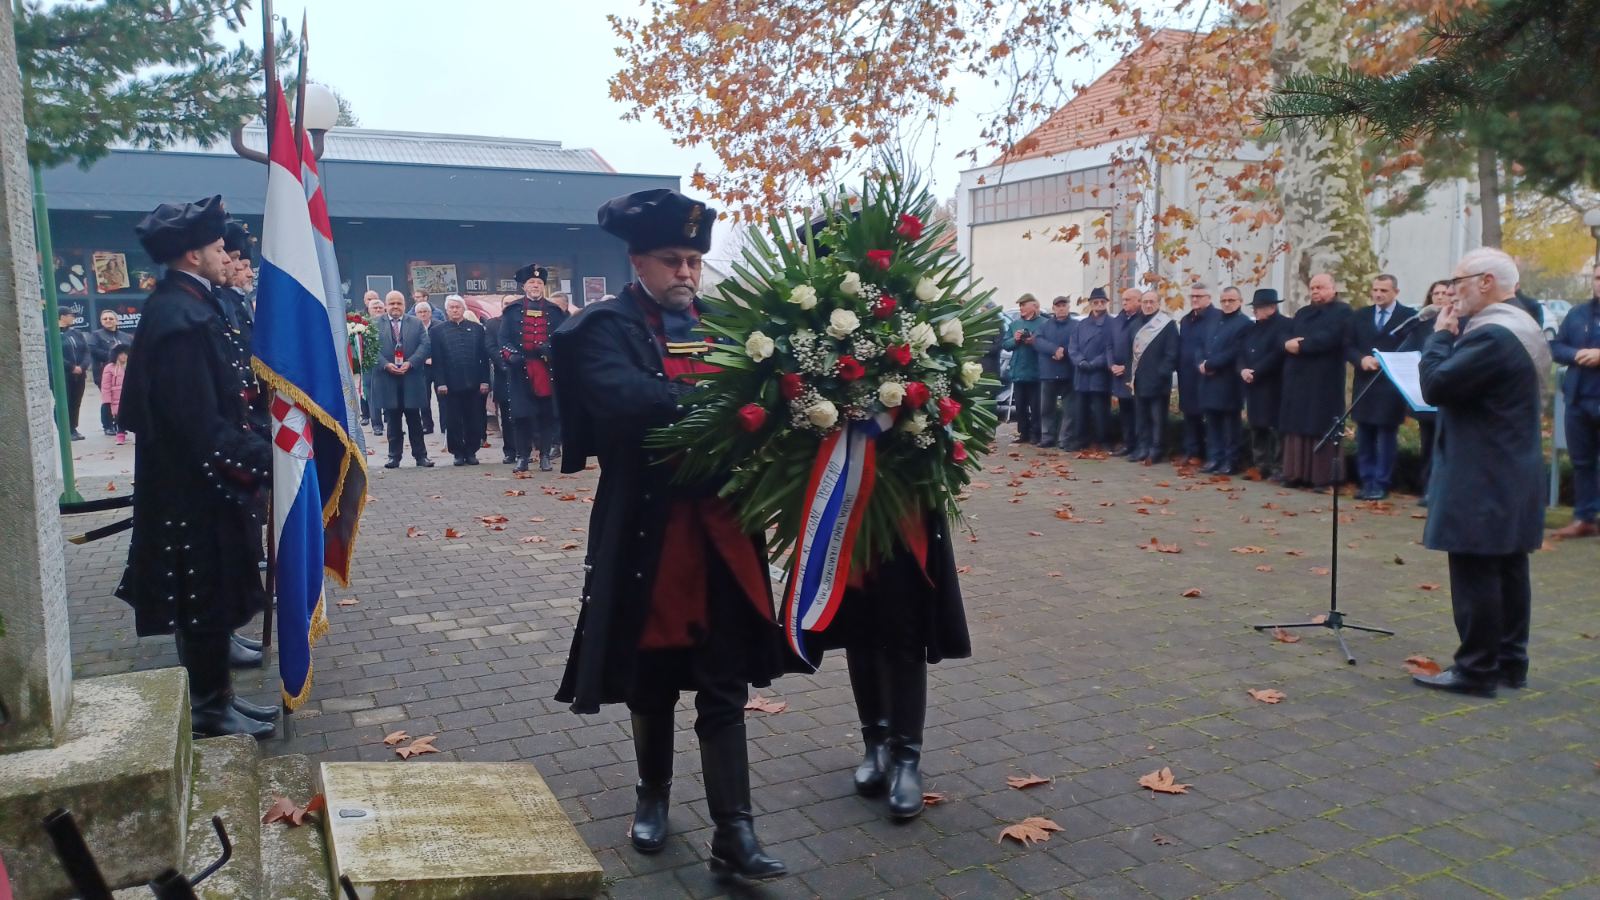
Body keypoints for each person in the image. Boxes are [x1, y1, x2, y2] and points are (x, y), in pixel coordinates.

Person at [550, 188, 789, 880]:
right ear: (638, 261)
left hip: (724, 532)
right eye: (672, 260)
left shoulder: (728, 326)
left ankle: (735, 832)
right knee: (651, 674)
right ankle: (651, 793)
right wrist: (727, 401)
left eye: (694, 260)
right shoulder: (603, 327)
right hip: (649, 532)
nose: (686, 272)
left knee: (725, 680)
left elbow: (770, 399)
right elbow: (625, 403)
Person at [117, 194, 276, 738]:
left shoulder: (188, 305)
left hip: (201, 483)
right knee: (200, 595)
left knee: (207, 594)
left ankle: (218, 698)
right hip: (195, 489)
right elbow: (197, 423)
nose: (223, 253)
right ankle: (210, 708)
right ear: (191, 255)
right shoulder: (180, 317)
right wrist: (265, 461)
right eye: (214, 246)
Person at [1413, 248, 1550, 697]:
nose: (1452, 293)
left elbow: (1435, 386)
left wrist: (1438, 336)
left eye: (1459, 282)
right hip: (1510, 463)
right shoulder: (1522, 323)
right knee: (1508, 565)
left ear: (1486, 281)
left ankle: (1475, 669)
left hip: (1482, 468)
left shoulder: (1492, 335)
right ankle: (1510, 663)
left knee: (1476, 567)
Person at [1279, 273, 1354, 491]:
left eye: (1320, 287)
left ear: (1333, 288)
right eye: (1312, 288)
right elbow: (1289, 335)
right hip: (1298, 377)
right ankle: (1296, 473)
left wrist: (1302, 346)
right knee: (1297, 424)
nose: (1315, 292)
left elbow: (1330, 338)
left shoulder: (1343, 312)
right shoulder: (1303, 312)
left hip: (1325, 379)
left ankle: (1323, 478)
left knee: (1321, 425)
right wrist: (1288, 344)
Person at [1345, 274, 1416, 500]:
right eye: (1375, 290)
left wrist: (1389, 362)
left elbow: (1414, 346)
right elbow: (1348, 345)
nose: (1378, 294)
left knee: (1386, 436)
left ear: (1395, 292)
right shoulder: (1361, 316)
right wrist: (1360, 359)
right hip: (1364, 383)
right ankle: (1366, 481)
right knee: (1364, 435)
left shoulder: (1408, 317)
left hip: (1391, 385)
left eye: (1383, 291)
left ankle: (1382, 482)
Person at [500, 265, 569, 472]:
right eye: (531, 282)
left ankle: (545, 456)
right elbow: (503, 339)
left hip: (545, 370)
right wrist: (511, 355)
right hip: (520, 370)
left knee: (546, 415)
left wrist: (548, 349)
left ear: (543, 287)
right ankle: (522, 456)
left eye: (539, 283)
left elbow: (562, 339)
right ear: (524, 286)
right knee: (522, 416)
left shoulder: (555, 311)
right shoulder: (512, 311)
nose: (535, 286)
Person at [1549, 269, 1600, 539]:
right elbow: (1556, 347)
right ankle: (1584, 518)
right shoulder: (1578, 314)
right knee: (1582, 462)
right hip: (1578, 400)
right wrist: (1576, 353)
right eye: (1598, 278)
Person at [1400, 280, 1452, 506]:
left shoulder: (1456, 323)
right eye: (1435, 293)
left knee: (1444, 446)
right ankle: (1427, 488)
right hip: (1423, 392)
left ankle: (1441, 490)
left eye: (1444, 293)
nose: (1439, 297)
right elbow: (1405, 347)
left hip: (1446, 391)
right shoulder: (1421, 323)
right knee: (1427, 443)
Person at [372, 290, 434, 468]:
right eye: (392, 303)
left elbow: (425, 345)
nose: (395, 307)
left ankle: (421, 456)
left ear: (404, 305)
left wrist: (411, 362)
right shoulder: (375, 324)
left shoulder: (415, 322)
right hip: (387, 378)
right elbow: (370, 349)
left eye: (398, 303)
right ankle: (394, 456)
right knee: (392, 420)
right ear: (386, 305)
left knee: (415, 419)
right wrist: (385, 364)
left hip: (411, 378)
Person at [1239, 289, 1293, 481]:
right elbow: (1241, 352)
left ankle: (1279, 467)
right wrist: (1243, 369)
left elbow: (1278, 353)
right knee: (1257, 426)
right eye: (1254, 308)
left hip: (1273, 384)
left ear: (1271, 307)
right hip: (1252, 384)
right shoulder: (1252, 328)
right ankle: (1260, 464)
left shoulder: (1285, 325)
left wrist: (1257, 371)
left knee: (1276, 427)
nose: (1255, 311)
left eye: (1258, 308)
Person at [431, 295, 491, 466]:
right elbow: (437, 360)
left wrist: (485, 381)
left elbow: (483, 358)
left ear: (464, 309)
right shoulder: (437, 331)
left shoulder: (477, 329)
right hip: (449, 385)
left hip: (474, 383)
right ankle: (457, 452)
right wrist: (440, 382)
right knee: (453, 420)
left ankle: (471, 451)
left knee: (474, 419)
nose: (455, 310)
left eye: (458, 307)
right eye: (451, 307)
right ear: (447, 310)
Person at [1198, 286, 1250, 474]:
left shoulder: (1244, 323)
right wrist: (1201, 363)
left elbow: (1235, 351)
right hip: (1209, 380)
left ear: (1240, 301)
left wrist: (1211, 364)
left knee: (1230, 426)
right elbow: (1201, 344)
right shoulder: (1213, 320)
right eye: (1224, 300)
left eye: (1231, 300)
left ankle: (1231, 461)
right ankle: (1214, 458)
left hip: (1229, 382)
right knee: (1212, 423)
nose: (1227, 304)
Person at [1128, 290, 1179, 464]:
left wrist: (1162, 373)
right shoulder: (1135, 324)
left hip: (1159, 380)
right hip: (1140, 379)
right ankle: (1142, 447)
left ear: (1158, 304)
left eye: (1152, 302)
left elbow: (1172, 352)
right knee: (1141, 416)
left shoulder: (1167, 324)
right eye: (1145, 302)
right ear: (1141, 303)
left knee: (1157, 418)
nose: (1148, 305)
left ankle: (1156, 449)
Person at [1176, 283, 1219, 465]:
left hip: (1208, 373)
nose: (1194, 299)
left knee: (1209, 416)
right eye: (1192, 296)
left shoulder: (1217, 317)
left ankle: (1211, 454)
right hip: (1187, 373)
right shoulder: (1186, 320)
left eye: (1199, 296)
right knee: (1189, 414)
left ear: (1209, 298)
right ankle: (1192, 451)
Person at [1069, 287, 1114, 450]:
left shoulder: (1112, 324)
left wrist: (1095, 363)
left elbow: (1112, 348)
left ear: (1106, 303)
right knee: (1080, 410)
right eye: (1095, 302)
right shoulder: (1081, 325)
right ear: (1090, 304)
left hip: (1099, 374)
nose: (1099, 305)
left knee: (1101, 410)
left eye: (1102, 302)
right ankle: (1081, 440)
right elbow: (1072, 346)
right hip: (1082, 373)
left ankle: (1104, 441)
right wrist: (1080, 361)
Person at [1032, 296, 1076, 449]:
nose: (1061, 308)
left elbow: (1079, 342)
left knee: (1069, 409)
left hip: (1069, 372)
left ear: (1068, 307)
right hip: (1048, 372)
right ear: (1053, 308)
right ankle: (1047, 437)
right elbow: (1037, 341)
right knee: (1046, 408)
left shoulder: (1076, 325)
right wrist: (1053, 349)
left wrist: (1063, 351)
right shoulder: (1044, 326)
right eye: (1058, 306)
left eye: (1064, 305)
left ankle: (1065, 439)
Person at [1002, 294, 1043, 443]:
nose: (1021, 308)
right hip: (1018, 371)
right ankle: (1023, 433)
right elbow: (1006, 344)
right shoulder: (1015, 324)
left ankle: (1036, 434)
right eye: (1020, 305)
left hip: (1035, 372)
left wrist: (1033, 340)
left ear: (1033, 306)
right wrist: (1016, 339)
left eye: (1024, 304)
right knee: (1020, 406)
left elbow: (1046, 345)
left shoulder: (1043, 323)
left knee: (1036, 406)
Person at [88, 308, 133, 435]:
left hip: (124, 374)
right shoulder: (96, 335)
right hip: (105, 373)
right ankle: (107, 425)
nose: (108, 321)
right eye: (105, 319)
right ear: (101, 321)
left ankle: (121, 424)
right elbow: (93, 350)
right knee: (108, 399)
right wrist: (114, 357)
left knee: (123, 399)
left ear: (116, 320)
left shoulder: (125, 336)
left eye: (111, 318)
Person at [1108, 288, 1142, 454]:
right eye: (1123, 299)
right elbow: (1108, 345)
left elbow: (1141, 350)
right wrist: (1111, 364)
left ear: (1138, 301)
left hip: (1135, 375)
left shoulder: (1143, 321)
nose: (1124, 302)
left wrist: (1126, 367)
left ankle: (1139, 445)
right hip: (1118, 374)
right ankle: (1128, 443)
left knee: (1138, 412)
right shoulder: (1117, 320)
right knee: (1125, 412)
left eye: (1129, 299)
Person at [492, 294, 518, 464]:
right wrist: (506, 363)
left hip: (524, 376)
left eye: (511, 303)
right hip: (504, 376)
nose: (508, 306)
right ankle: (509, 451)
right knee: (507, 418)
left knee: (524, 416)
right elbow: (491, 348)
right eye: (505, 303)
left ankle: (527, 450)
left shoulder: (521, 322)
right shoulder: (492, 324)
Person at [58, 307, 90, 440]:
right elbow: (52, 354)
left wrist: (82, 366)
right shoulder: (51, 333)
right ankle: (65, 430)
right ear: (62, 316)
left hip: (79, 375)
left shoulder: (76, 333)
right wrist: (71, 367)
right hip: (63, 375)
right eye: (71, 315)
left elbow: (86, 352)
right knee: (64, 401)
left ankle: (73, 428)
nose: (73, 318)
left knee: (76, 401)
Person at [413, 300, 442, 435]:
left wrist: (435, 358)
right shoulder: (413, 327)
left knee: (442, 396)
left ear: (430, 313)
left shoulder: (439, 326)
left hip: (438, 366)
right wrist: (423, 359)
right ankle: (427, 425)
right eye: (420, 312)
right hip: (421, 367)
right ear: (416, 314)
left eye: (425, 311)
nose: (423, 314)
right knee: (424, 398)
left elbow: (443, 346)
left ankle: (445, 425)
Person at [360, 291, 385, 434]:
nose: (377, 310)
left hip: (389, 364)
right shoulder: (363, 325)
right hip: (370, 365)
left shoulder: (391, 323)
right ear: (368, 310)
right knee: (371, 394)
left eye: (380, 308)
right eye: (374, 308)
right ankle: (377, 424)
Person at [103, 345, 130, 444]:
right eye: (121, 354)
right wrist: (107, 401)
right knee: (119, 417)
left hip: (131, 396)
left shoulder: (132, 366)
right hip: (117, 398)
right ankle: (120, 435)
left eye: (125, 354)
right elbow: (106, 385)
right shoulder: (110, 368)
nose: (123, 356)